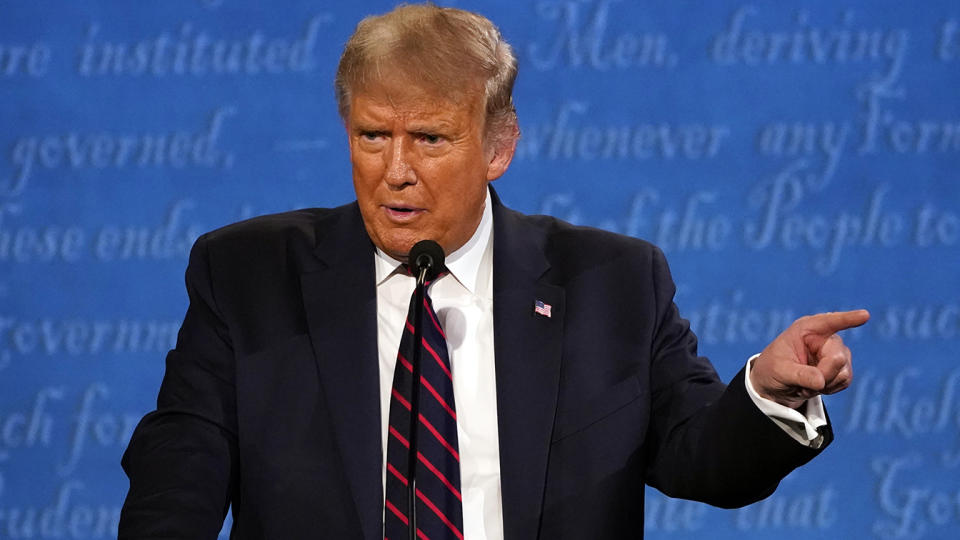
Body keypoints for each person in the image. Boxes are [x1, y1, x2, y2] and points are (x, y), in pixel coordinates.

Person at [119, 4, 869, 539]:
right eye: (373, 135)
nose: (397, 171)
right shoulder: (247, 275)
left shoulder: (612, 283)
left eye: (431, 138)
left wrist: (767, 392)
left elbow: (702, 459)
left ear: (498, 146)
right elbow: (178, 473)